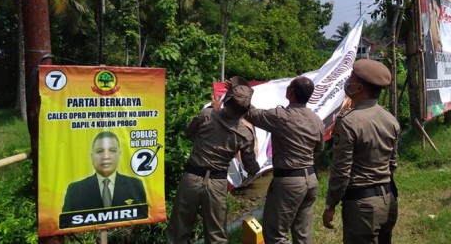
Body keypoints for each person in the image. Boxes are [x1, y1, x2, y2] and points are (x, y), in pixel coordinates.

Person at [166, 79, 260, 244]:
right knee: (216, 235)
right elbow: (250, 164)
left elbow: (189, 131)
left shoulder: (206, 115)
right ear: (246, 109)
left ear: (227, 100)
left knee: (179, 230)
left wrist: (212, 109)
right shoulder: (245, 133)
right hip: (217, 183)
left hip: (192, 178)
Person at [322, 59, 400, 244]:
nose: (347, 81)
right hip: (388, 201)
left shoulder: (349, 122)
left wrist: (330, 205)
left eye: (351, 78)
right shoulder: (390, 119)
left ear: (358, 88)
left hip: (362, 207)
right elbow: (392, 163)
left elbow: (341, 171)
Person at [243, 76, 324, 244]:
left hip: (289, 182)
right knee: (302, 235)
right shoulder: (317, 120)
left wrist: (240, 90)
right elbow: (319, 149)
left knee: (275, 236)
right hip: (311, 179)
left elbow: (251, 113)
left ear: (291, 92)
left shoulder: (280, 116)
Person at [62, 131, 146, 213]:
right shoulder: (75, 191)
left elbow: (144, 219)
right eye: (99, 151)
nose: (106, 156)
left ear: (119, 154)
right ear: (92, 156)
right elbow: (66, 224)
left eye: (112, 150)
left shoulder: (135, 185)